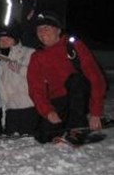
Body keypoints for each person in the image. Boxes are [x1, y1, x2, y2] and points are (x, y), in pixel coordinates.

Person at [27, 14, 106, 143]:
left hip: (80, 96)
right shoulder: (37, 56)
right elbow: (35, 89)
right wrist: (48, 112)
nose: (42, 32)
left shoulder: (74, 46)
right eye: (39, 29)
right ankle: (66, 128)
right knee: (43, 136)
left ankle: (77, 129)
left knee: (75, 80)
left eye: (46, 27)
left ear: (58, 30)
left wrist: (96, 112)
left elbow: (95, 78)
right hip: (59, 100)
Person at [0, 25, 39, 136]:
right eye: (1, 39)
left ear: (15, 39)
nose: (4, 41)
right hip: (11, 111)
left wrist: (19, 68)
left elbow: (39, 75)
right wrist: (3, 119)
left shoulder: (29, 53)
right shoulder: (0, 62)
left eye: (8, 38)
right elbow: (2, 90)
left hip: (30, 107)